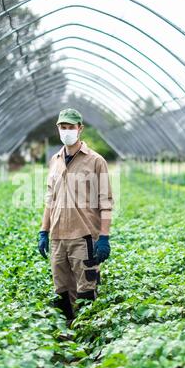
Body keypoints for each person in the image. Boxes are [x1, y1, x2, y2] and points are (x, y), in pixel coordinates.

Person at [38, 108, 114, 326]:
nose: (67, 131)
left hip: (84, 238)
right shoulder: (55, 160)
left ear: (80, 129)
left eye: (71, 127)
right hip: (58, 238)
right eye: (63, 127)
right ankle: (66, 337)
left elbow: (106, 201)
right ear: (58, 129)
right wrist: (44, 230)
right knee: (61, 290)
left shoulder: (96, 161)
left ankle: (86, 340)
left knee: (86, 290)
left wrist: (104, 237)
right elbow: (50, 199)